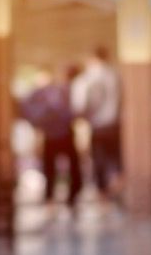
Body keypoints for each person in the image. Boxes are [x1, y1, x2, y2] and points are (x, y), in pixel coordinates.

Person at [22, 66, 82, 210]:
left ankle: (58, 197)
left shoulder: (55, 91)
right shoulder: (45, 93)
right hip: (57, 134)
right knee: (56, 167)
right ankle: (62, 197)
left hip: (57, 134)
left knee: (57, 167)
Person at [72, 46, 122, 202]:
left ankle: (103, 195)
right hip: (115, 124)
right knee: (114, 158)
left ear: (92, 58)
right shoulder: (115, 75)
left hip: (97, 125)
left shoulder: (88, 77)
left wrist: (82, 117)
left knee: (99, 160)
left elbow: (81, 102)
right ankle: (116, 182)